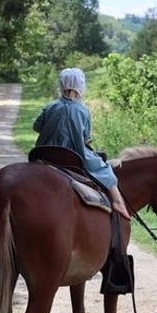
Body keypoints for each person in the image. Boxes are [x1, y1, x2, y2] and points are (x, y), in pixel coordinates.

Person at [32, 68, 131, 220]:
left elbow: (36, 127)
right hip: (73, 154)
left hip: (45, 152)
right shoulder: (83, 111)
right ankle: (117, 201)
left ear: (62, 85)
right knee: (105, 169)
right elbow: (86, 139)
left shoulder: (50, 106)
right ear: (80, 86)